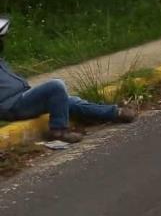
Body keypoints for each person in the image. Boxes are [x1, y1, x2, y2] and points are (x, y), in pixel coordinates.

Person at [0, 17, 136, 144]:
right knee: (56, 86)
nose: (3, 41)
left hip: (22, 98)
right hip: (13, 106)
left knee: (68, 100)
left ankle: (115, 113)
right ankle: (58, 131)